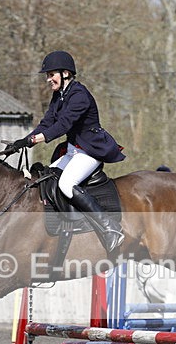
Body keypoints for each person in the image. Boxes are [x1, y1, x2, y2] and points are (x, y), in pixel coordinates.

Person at [8, 50, 125, 253]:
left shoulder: (79, 95)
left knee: (66, 183)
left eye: (51, 74)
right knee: (45, 180)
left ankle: (110, 227)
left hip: (91, 152)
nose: (48, 79)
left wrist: (33, 140)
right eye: (47, 75)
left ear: (65, 73)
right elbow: (47, 122)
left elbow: (62, 125)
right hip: (73, 151)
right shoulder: (60, 95)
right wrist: (24, 141)